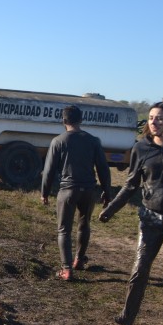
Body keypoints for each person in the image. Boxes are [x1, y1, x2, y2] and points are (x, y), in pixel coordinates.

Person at [98, 101, 163, 325]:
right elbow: (131, 184)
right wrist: (111, 209)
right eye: (151, 118)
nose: (154, 122)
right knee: (139, 270)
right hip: (150, 216)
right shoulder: (141, 148)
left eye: (160, 118)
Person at [40, 105, 112, 281]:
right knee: (84, 224)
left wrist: (45, 192)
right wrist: (107, 191)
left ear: (63, 121)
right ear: (81, 120)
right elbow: (103, 168)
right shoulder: (94, 140)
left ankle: (66, 269)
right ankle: (79, 260)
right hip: (88, 190)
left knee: (64, 230)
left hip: (67, 191)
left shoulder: (58, 141)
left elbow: (48, 170)